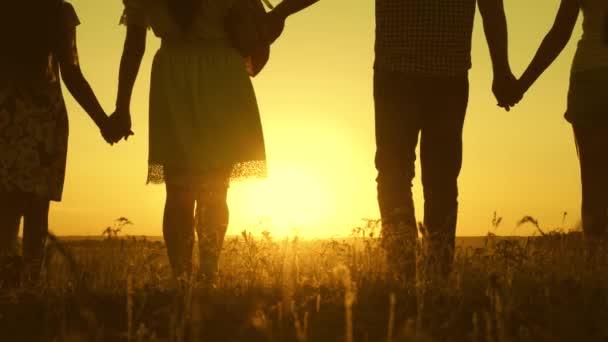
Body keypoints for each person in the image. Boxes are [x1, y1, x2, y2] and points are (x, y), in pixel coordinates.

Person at [116, 0, 317, 283]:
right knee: (206, 189)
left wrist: (122, 106)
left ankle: (189, 278)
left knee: (181, 191)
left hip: (179, 74)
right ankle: (203, 276)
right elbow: (134, 44)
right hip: (218, 73)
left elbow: (135, 45)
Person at [374, 0, 518, 286]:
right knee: (436, 183)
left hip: (402, 75)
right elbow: (491, 8)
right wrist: (501, 70)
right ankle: (434, 279)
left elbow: (491, 8)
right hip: (443, 77)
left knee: (396, 177)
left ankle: (406, 278)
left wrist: (281, 13)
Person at [0, 0, 121, 285]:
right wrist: (104, 122)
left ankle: (6, 286)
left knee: (5, 205)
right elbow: (72, 73)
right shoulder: (59, 12)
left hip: (7, 114)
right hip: (44, 117)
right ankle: (29, 283)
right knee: (37, 208)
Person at [509, 0, 608, 249]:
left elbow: (559, 33)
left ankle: (595, 269)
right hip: (590, 83)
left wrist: (521, 85)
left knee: (593, 184)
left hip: (588, 79)